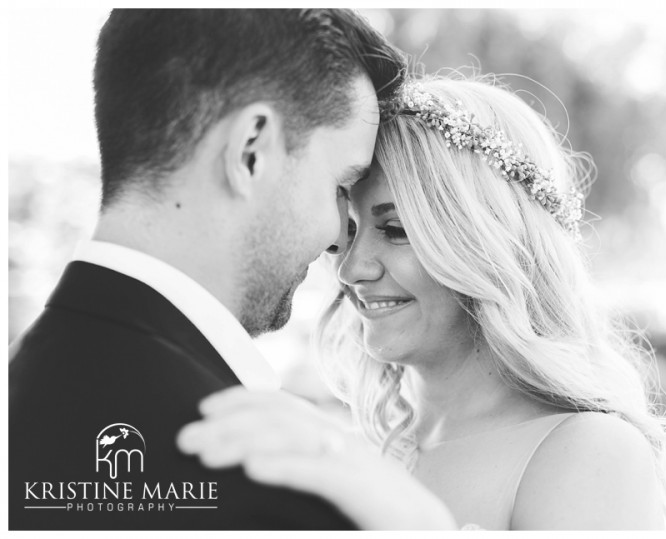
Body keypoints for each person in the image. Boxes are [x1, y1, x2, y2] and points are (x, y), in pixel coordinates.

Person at [178, 75, 666, 530]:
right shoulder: (363, 448)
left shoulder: (586, 453)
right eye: (348, 233)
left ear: (486, 243)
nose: (351, 269)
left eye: (396, 230)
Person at [8, 9, 406, 530]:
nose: (339, 238)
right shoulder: (268, 487)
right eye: (339, 187)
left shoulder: (19, 391)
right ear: (250, 151)